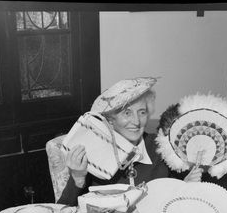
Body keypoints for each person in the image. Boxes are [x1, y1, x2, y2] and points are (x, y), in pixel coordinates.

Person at [57, 77, 202, 206]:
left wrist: (186, 186)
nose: (136, 121)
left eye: (142, 112)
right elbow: (61, 211)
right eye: (127, 113)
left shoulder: (162, 148)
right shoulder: (93, 151)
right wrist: (77, 178)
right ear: (110, 120)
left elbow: (173, 202)